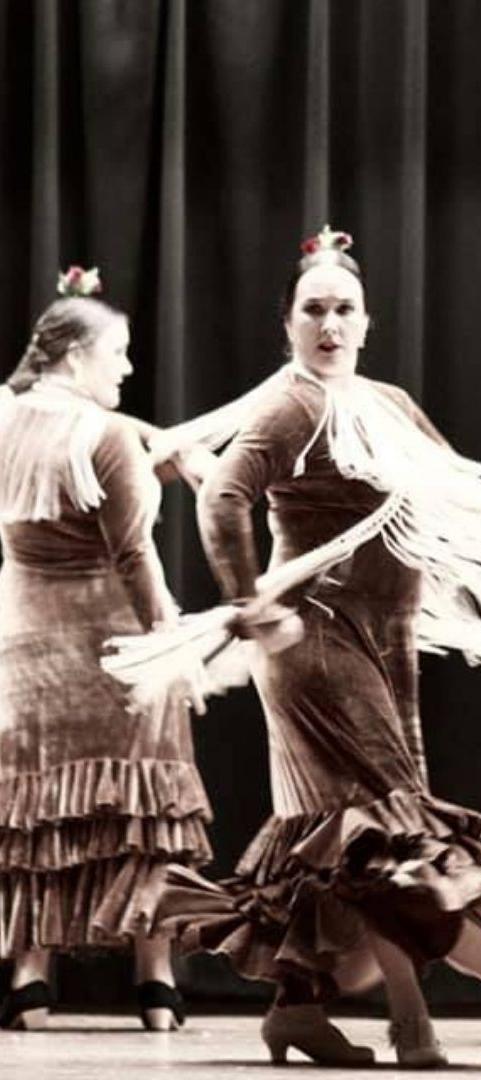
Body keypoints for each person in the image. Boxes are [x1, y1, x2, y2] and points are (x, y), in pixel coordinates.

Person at [141, 227, 481, 1068]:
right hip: (311, 645)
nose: (331, 325)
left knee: (332, 831)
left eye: (345, 310)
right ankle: (412, 1022)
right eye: (315, 311)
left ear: (368, 321)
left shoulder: (389, 404)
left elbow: (453, 492)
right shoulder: (288, 407)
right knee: (387, 824)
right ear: (290, 324)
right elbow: (221, 501)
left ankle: (293, 1012)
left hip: (387, 640)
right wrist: (249, 605)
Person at [0, 268, 213, 1032]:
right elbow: (134, 556)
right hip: (111, 641)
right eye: (117, 352)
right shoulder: (110, 434)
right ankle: (154, 978)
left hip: (22, 642)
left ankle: (29, 975)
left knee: (34, 808)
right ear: (76, 356)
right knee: (142, 804)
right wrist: (172, 643)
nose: (128, 367)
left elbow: (53, 487)